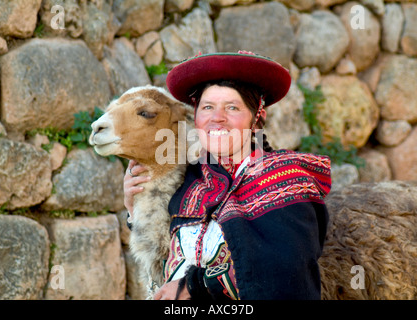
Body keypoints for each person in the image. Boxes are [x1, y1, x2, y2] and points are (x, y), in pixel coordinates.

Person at [124, 52, 331, 300]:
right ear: (196, 117)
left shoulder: (286, 179)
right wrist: (134, 205)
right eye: (207, 107)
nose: (217, 118)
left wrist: (193, 286)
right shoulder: (189, 181)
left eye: (232, 107)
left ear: (257, 118)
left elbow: (285, 272)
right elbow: (161, 260)